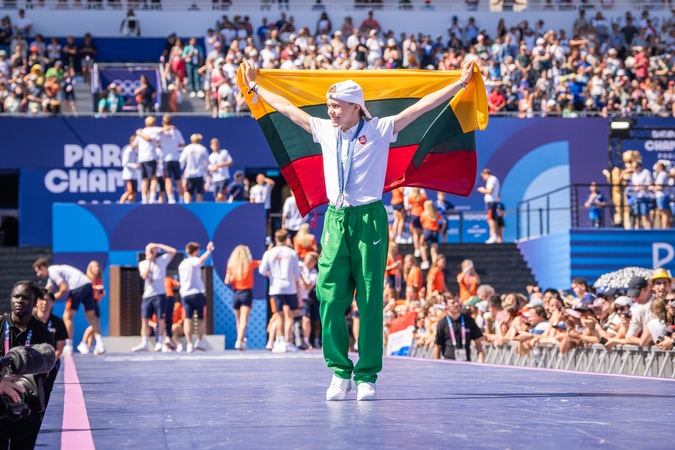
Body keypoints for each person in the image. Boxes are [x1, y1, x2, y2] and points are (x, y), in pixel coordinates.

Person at [242, 58, 475, 401]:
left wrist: (459, 84)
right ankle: (340, 371)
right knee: (329, 297)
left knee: (368, 299)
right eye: (329, 106)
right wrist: (255, 87)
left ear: (356, 107)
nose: (331, 111)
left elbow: (421, 108)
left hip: (369, 219)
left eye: (336, 106)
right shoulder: (324, 129)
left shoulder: (379, 130)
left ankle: (366, 376)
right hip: (335, 219)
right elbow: (289, 111)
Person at [0, 281, 54, 450]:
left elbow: (47, 371)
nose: (19, 301)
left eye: (25, 297)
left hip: (28, 409)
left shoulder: (43, 333)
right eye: (16, 296)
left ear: (35, 301)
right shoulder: (1, 326)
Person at [33, 259, 105, 356]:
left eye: (38, 271)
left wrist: (51, 300)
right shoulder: (53, 274)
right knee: (92, 318)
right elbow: (46, 290)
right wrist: (36, 302)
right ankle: (100, 345)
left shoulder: (52, 271)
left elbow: (64, 289)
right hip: (88, 286)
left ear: (42, 268)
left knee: (67, 317)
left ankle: (69, 347)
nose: (38, 275)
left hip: (77, 288)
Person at [259, 228, 301, 353]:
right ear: (286, 238)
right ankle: (288, 342)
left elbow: (262, 270)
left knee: (278, 315)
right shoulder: (292, 252)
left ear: (276, 239)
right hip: (289, 288)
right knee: (289, 316)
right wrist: (297, 288)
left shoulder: (269, 253)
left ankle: (281, 341)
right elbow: (296, 273)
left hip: (275, 288)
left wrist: (271, 275)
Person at [132, 242, 177, 352]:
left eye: (153, 250)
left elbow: (173, 251)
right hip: (148, 295)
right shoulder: (143, 263)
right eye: (150, 250)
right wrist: (150, 260)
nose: (152, 252)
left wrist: (159, 246)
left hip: (160, 294)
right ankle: (145, 342)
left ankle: (159, 342)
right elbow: (144, 275)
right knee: (145, 319)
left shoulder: (161, 260)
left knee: (161, 319)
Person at [178, 241, 214, 353]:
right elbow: (200, 261)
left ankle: (189, 344)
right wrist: (209, 251)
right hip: (196, 294)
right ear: (195, 251)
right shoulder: (193, 260)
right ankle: (199, 340)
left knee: (187, 319)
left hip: (185, 294)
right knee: (202, 318)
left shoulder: (182, 264)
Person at [34, 290, 67, 408]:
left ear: (52, 302)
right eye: (41, 299)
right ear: (36, 302)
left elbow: (60, 349)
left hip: (51, 365)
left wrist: (48, 364)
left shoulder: (58, 323)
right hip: (32, 365)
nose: (44, 303)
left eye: (48, 299)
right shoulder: (29, 322)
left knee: (46, 393)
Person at [225, 245, 260, 350]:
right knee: (244, 320)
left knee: (238, 320)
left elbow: (227, 281)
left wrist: (232, 277)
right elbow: (261, 262)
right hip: (246, 293)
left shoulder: (231, 266)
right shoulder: (249, 264)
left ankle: (241, 339)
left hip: (236, 294)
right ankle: (239, 340)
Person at [434, 292, 485, 362]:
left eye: (457, 301)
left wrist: (481, 360)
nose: (456, 304)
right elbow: (438, 346)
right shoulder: (443, 323)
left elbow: (478, 341)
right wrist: (437, 364)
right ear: (446, 305)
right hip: (448, 362)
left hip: (465, 362)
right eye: (453, 302)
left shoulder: (468, 320)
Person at [77, 260, 105, 354]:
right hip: (88, 302)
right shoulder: (87, 278)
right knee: (94, 324)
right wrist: (96, 288)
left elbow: (97, 295)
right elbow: (86, 291)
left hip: (95, 302)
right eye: (94, 267)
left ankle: (90, 345)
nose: (96, 269)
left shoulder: (98, 279)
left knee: (95, 324)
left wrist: (100, 294)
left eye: (97, 267)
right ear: (90, 269)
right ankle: (83, 343)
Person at [157, 115, 186, 204]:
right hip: (174, 158)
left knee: (168, 179)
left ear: (163, 122)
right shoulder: (176, 132)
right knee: (178, 180)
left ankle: (171, 199)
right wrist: (174, 144)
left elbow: (156, 143)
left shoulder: (160, 132)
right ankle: (181, 199)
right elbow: (182, 144)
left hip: (166, 160)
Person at [134, 116, 162, 204]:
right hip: (150, 157)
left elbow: (134, 145)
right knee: (153, 178)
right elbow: (149, 138)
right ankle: (152, 199)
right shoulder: (154, 130)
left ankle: (144, 199)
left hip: (142, 158)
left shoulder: (141, 132)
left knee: (145, 180)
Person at [179, 133, 209, 204]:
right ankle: (198, 209)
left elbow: (181, 162)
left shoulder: (187, 149)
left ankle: (187, 207)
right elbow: (208, 162)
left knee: (188, 192)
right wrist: (204, 169)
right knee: (199, 193)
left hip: (189, 175)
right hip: (199, 174)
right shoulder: (203, 149)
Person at [298, 251, 319, 350]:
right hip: (293, 296)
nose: (305, 260)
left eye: (308, 259)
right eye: (305, 258)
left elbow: (307, 287)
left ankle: (305, 342)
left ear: (313, 262)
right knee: (282, 316)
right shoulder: (298, 265)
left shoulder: (314, 274)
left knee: (306, 319)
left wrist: (300, 275)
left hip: (303, 298)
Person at [249, 173, 275, 243]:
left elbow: (272, 183)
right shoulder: (254, 188)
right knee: (258, 223)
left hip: (266, 207)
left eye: (262, 178)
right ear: (256, 179)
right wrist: (252, 209)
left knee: (268, 223)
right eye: (259, 178)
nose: (261, 180)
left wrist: (264, 179)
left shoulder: (267, 186)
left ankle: (268, 239)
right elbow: (252, 199)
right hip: (257, 208)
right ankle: (258, 237)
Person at [477, 168, 501, 243]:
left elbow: (490, 191)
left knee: (491, 219)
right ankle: (492, 236)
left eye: (483, 176)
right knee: (491, 218)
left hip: (491, 202)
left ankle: (493, 236)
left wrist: (482, 190)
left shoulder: (491, 179)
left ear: (486, 174)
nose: (483, 178)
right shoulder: (494, 179)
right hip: (492, 202)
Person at [419, 200, 444, 270]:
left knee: (422, 245)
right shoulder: (436, 213)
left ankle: (425, 261)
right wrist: (441, 230)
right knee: (434, 251)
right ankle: (435, 266)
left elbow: (422, 223)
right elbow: (443, 222)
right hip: (435, 232)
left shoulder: (424, 214)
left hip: (427, 231)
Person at [206, 138, 233, 202]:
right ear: (211, 146)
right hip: (215, 179)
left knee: (220, 195)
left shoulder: (224, 152)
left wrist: (218, 165)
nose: (215, 146)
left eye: (217, 145)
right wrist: (208, 182)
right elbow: (209, 171)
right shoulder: (210, 157)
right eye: (214, 145)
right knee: (217, 198)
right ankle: (224, 206)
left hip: (224, 178)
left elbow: (230, 162)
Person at [407, 188, 427, 258]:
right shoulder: (423, 196)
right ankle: (422, 247)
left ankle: (417, 249)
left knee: (415, 234)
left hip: (414, 215)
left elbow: (407, 207)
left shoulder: (410, 197)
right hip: (421, 215)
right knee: (421, 233)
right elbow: (426, 205)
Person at [120, 134, 140, 204]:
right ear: (131, 142)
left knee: (134, 193)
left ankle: (131, 205)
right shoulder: (128, 150)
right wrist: (135, 166)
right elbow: (124, 163)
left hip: (134, 175)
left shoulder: (136, 151)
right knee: (129, 191)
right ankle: (121, 204)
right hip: (128, 176)